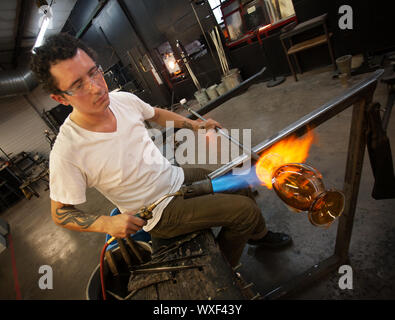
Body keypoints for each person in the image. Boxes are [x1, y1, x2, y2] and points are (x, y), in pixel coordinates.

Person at [30, 33, 291, 267]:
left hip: (175, 178)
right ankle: (221, 272)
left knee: (241, 183)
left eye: (94, 72)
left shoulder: (123, 101)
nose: (96, 87)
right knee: (245, 211)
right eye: (77, 85)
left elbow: (156, 114)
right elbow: (60, 212)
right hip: (158, 213)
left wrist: (194, 125)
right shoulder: (68, 150)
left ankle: (259, 236)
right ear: (60, 98)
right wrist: (106, 223)